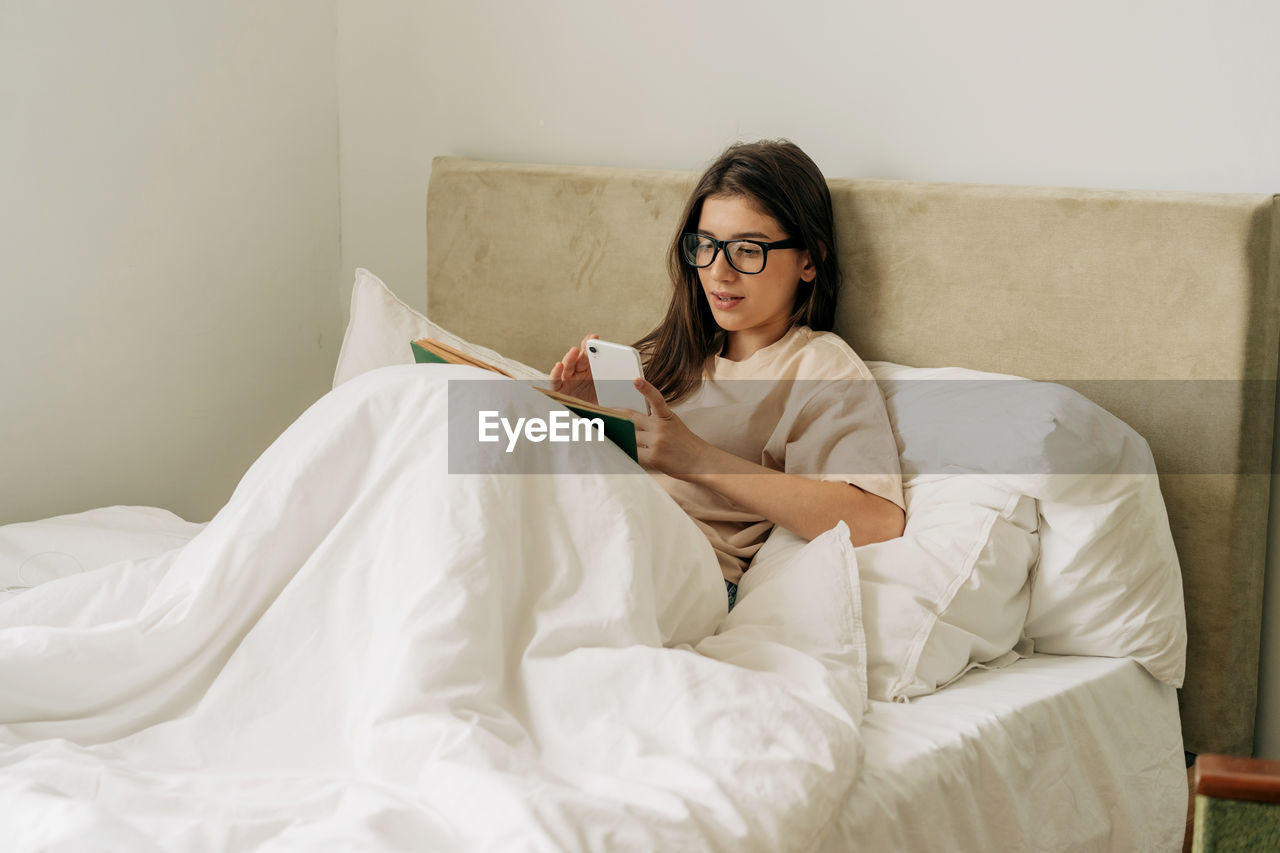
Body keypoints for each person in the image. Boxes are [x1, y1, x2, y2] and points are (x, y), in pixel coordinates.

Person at [550, 140, 906, 611]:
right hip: (596, 525)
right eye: (706, 245)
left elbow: (875, 520)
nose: (718, 272)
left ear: (808, 259)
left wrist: (697, 458)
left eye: (747, 249)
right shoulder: (672, 354)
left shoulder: (819, 367)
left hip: (680, 566)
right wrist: (580, 416)